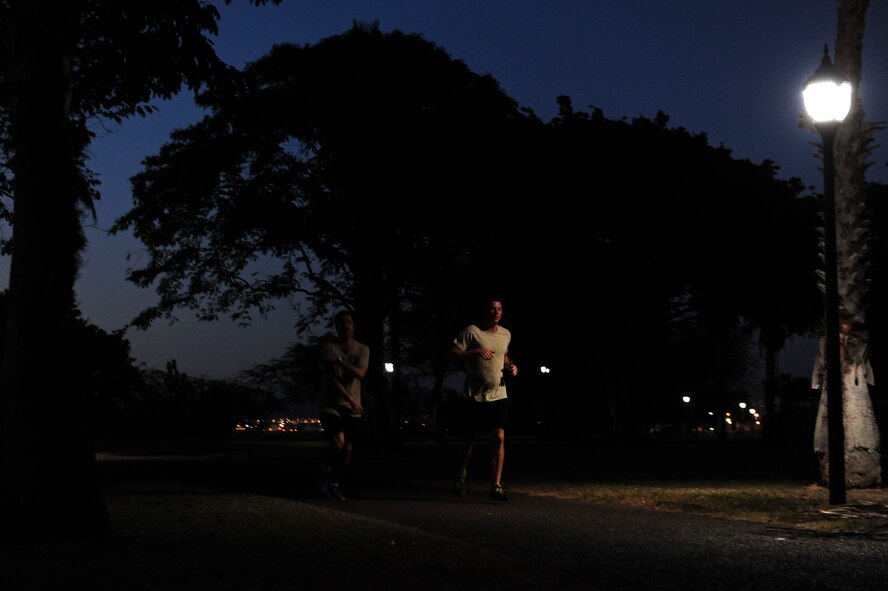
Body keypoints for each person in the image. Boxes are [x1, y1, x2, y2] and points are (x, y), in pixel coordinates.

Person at [448, 297, 518, 501]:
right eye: (492, 308)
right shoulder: (472, 331)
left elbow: (504, 356)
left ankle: (496, 485)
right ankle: (461, 473)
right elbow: (452, 355)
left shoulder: (506, 334)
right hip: (475, 396)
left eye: (499, 309)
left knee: (499, 437)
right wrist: (475, 351)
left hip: (498, 394)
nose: (496, 312)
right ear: (485, 311)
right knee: (469, 439)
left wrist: (510, 366)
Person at [315, 310, 369, 501]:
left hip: (353, 406)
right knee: (337, 441)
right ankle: (324, 470)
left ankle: (334, 483)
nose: (346, 325)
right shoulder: (328, 347)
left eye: (349, 322)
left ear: (354, 326)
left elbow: (361, 373)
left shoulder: (362, 349)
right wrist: (351, 398)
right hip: (332, 403)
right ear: (336, 327)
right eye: (341, 323)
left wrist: (340, 362)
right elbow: (332, 379)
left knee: (348, 449)